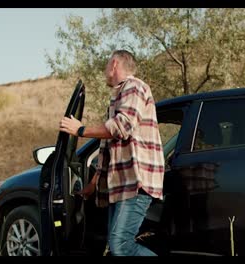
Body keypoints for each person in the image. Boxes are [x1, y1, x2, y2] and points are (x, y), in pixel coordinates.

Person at [59, 50, 165, 256]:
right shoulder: (118, 97)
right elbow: (107, 148)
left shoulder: (135, 87)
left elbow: (122, 127)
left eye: (107, 64)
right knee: (115, 247)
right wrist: (93, 184)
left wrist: (81, 130)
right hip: (121, 185)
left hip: (136, 181)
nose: (105, 70)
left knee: (121, 246)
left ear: (115, 64)